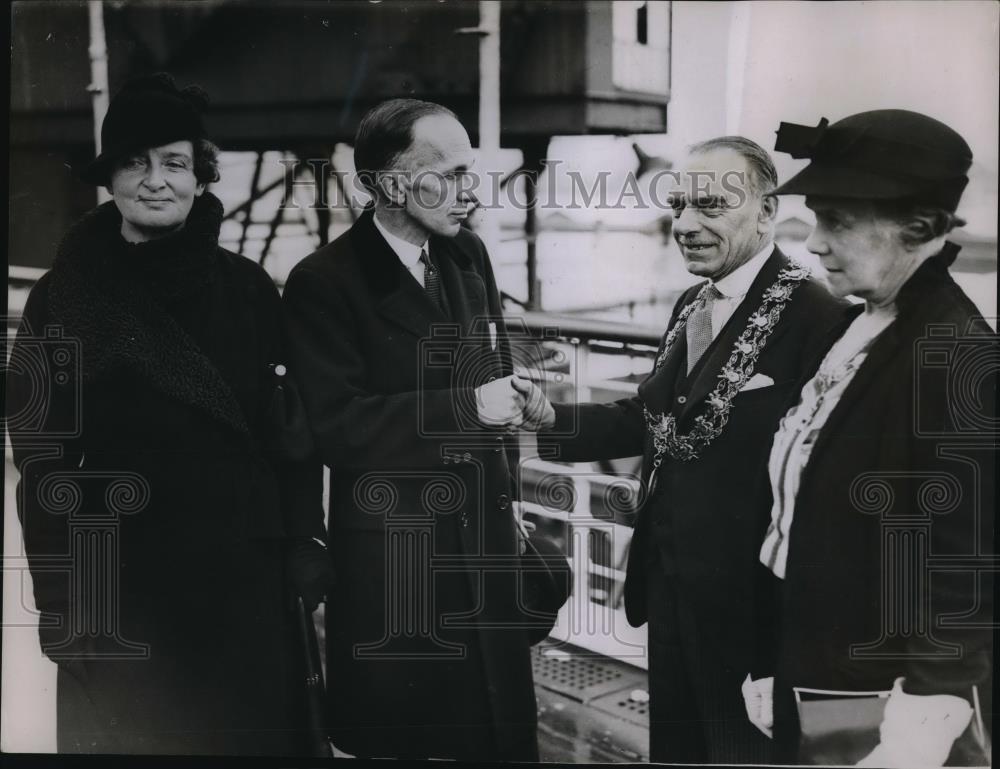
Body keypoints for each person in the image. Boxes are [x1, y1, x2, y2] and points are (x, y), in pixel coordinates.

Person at [6, 73, 334, 755]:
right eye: (135, 161)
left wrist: (308, 544)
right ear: (109, 177)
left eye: (175, 162)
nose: (156, 180)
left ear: (201, 174)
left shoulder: (248, 290)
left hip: (244, 587)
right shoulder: (60, 300)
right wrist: (63, 602)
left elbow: (290, 438)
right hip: (124, 595)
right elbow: (43, 467)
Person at [530, 136, 847, 763]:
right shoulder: (692, 303)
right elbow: (653, 415)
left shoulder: (820, 318)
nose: (685, 225)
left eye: (710, 206)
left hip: (750, 614)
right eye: (678, 206)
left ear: (766, 209)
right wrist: (543, 418)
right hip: (668, 588)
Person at [282, 98, 548, 761]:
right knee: (406, 738)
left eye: (472, 171)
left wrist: (510, 471)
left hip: (483, 541)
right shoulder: (323, 282)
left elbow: (487, 372)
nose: (471, 190)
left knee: (496, 735)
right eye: (451, 174)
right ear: (389, 183)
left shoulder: (468, 256)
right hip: (397, 562)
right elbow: (339, 426)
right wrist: (468, 407)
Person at [744, 109, 995, 767]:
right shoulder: (858, 326)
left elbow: (963, 562)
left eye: (838, 221)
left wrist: (923, 719)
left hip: (879, 693)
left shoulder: (956, 354)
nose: (815, 242)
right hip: (819, 663)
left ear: (920, 230)